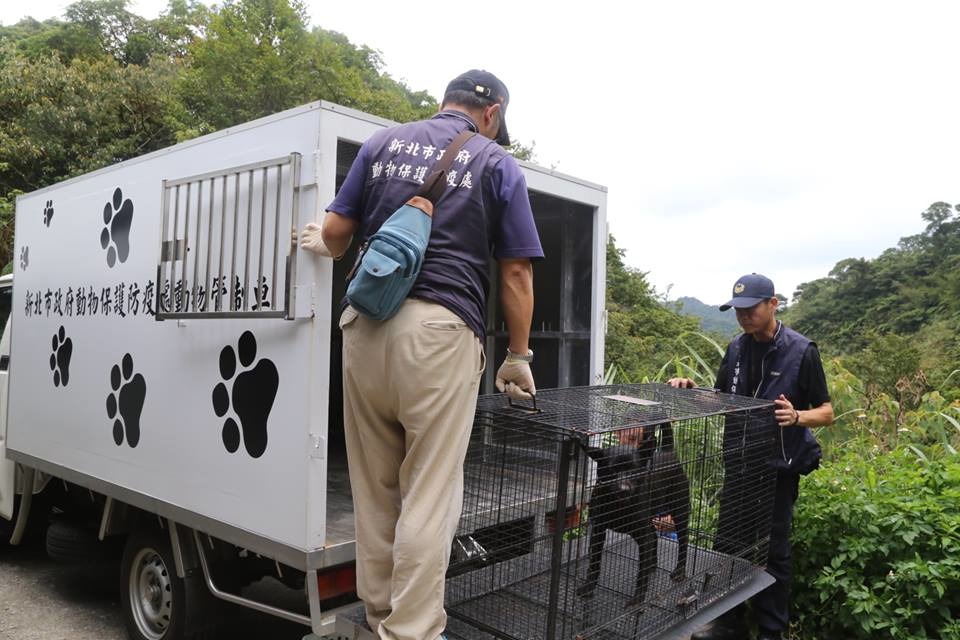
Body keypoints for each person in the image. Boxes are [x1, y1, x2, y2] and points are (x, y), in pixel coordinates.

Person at [301, 70, 542, 640]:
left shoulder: (382, 143)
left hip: (364, 326)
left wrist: (321, 242)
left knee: (375, 487)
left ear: (444, 103)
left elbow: (336, 233)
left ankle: (380, 612)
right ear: (493, 114)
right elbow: (514, 270)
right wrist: (519, 355)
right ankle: (409, 632)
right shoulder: (496, 162)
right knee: (428, 492)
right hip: (438, 333)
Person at [669, 273, 833, 640]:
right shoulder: (737, 349)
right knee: (728, 545)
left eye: (751, 308)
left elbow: (826, 411)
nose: (743, 316)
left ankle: (772, 630)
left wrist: (797, 417)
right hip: (739, 462)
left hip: (778, 469)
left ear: (773, 304)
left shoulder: (801, 351)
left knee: (773, 551)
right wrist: (690, 390)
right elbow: (721, 397)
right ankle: (729, 623)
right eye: (738, 310)